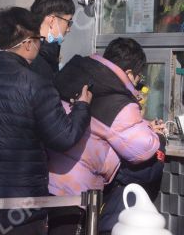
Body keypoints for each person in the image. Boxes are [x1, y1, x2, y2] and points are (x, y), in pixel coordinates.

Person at [0, 7, 93, 235]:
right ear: (28, 43)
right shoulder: (36, 85)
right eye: (39, 40)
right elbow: (63, 137)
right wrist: (82, 107)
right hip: (21, 214)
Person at [47, 38, 165, 235]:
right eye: (138, 78)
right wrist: (159, 137)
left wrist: (144, 124)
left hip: (49, 176)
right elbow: (142, 148)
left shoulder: (79, 74)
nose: (138, 84)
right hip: (76, 190)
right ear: (128, 73)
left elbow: (109, 128)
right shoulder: (117, 100)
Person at [30, 0, 76, 82]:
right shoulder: (34, 59)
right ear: (52, 21)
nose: (68, 29)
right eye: (68, 22)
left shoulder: (28, 49)